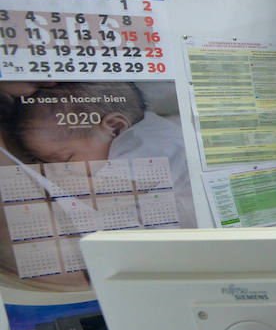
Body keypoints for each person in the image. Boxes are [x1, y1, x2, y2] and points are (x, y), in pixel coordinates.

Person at [1, 81, 196, 228]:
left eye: (65, 159)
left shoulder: (144, 143)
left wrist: (50, 180)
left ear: (114, 127)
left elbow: (104, 197)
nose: (55, 169)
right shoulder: (138, 131)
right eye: (42, 161)